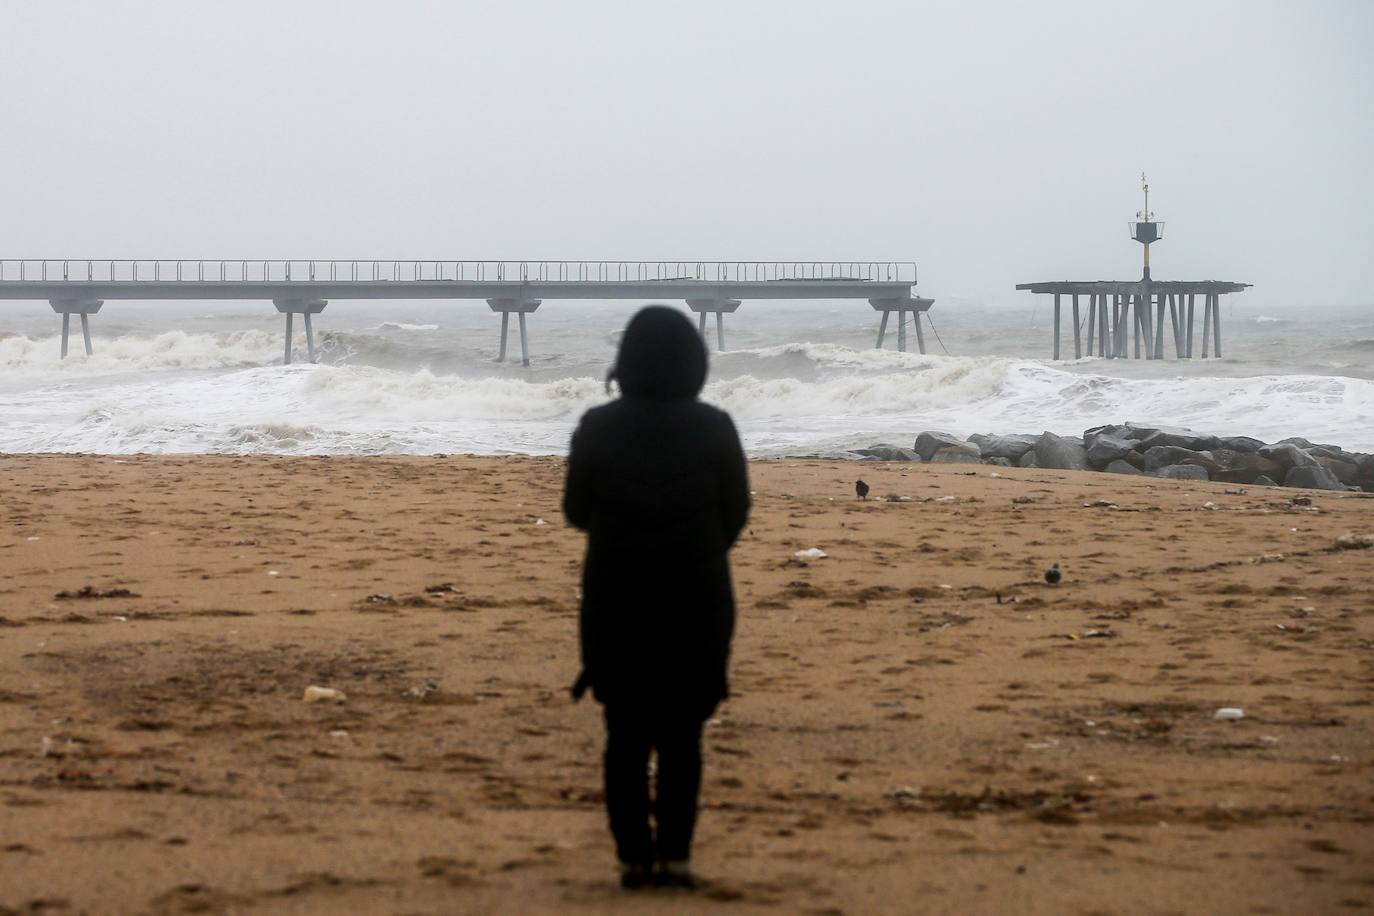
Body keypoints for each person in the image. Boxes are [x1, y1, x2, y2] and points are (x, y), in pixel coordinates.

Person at [563, 306, 750, 890]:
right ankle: (674, 857)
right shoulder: (716, 426)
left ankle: (633, 859)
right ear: (696, 361)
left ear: (626, 361)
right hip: (697, 597)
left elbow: (574, 512)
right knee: (681, 735)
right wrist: (697, 547)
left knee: (624, 731)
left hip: (616, 597)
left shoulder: (596, 425)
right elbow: (736, 513)